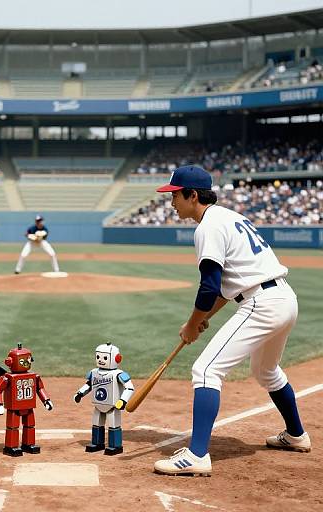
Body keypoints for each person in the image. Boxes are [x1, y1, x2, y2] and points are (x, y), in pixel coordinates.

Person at [153, 165, 310, 477]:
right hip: (283, 299)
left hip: (261, 304)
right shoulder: (230, 217)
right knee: (265, 370)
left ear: (192, 195)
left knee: (206, 370)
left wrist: (190, 324)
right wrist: (202, 320)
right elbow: (226, 289)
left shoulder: (207, 226)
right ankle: (296, 435)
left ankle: (196, 455)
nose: (171, 202)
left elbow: (209, 287)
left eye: (175, 195)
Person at [73, 342, 134, 455]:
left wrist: (123, 400)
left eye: (105, 357)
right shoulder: (94, 372)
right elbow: (89, 385)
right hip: (98, 404)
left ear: (116, 358)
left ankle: (115, 446)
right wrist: (80, 393)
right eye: (98, 357)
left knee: (113, 425)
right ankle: (97, 443)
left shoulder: (118, 374)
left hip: (113, 405)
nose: (101, 360)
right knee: (96, 423)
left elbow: (129, 388)